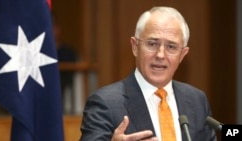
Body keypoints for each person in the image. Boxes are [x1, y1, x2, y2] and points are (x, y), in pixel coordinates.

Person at [80, 6, 217, 141]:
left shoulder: (197, 101)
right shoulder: (105, 103)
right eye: (152, 44)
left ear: (182, 54)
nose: (160, 55)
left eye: (171, 46)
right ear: (135, 47)